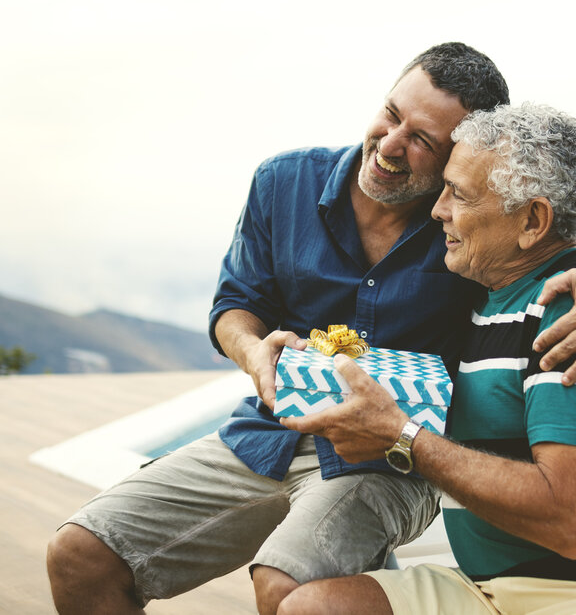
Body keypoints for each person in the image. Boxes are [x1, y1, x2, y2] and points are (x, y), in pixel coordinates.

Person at [46, 44, 576, 615]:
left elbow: (548, 215)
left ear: (460, 157)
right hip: (269, 431)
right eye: (391, 114)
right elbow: (236, 302)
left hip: (392, 460)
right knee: (78, 554)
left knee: (287, 586)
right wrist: (253, 352)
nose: (390, 145)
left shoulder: (475, 227)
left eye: (423, 141)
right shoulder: (284, 182)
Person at [278, 103, 576, 615]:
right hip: (483, 584)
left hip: (556, 591)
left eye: (458, 193)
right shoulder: (485, 295)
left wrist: (404, 439)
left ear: (532, 220)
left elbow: (566, 516)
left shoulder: (559, 314)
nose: (437, 210)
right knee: (310, 606)